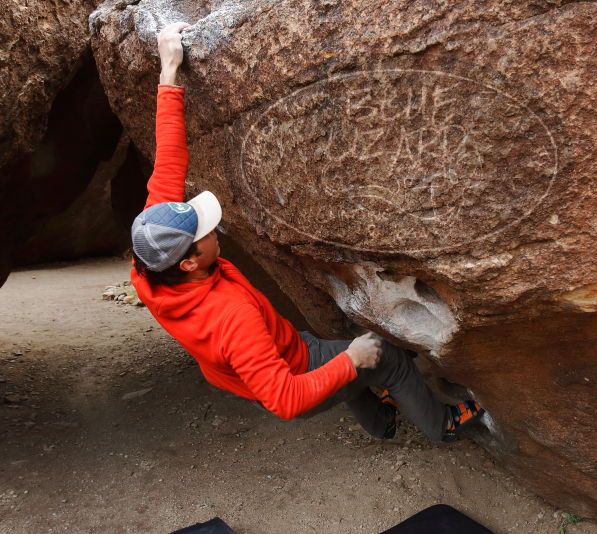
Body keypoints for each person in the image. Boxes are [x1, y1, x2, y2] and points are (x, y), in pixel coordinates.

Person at [130, 22, 484, 443]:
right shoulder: (231, 318)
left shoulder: (152, 250)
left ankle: (380, 422)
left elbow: (169, 162)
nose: (213, 226)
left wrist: (168, 72)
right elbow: (286, 400)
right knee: (383, 356)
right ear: (189, 262)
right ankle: (442, 425)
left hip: (265, 359)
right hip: (291, 376)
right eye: (204, 231)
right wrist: (351, 361)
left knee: (325, 349)